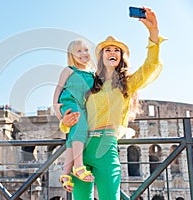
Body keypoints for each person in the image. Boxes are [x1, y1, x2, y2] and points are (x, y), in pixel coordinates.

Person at [60, 7, 166, 200]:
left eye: (116, 50)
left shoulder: (128, 83)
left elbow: (150, 67)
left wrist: (153, 32)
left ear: (120, 56)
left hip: (107, 146)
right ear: (100, 56)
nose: (112, 52)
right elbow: (73, 105)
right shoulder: (90, 82)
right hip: (81, 148)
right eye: (107, 50)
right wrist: (64, 122)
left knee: (110, 197)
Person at [53, 38, 95, 192]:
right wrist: (56, 108)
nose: (83, 53)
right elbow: (58, 89)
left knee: (73, 136)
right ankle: (78, 166)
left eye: (86, 50)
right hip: (69, 103)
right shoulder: (69, 70)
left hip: (82, 106)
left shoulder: (92, 73)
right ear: (71, 55)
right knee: (80, 125)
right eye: (79, 51)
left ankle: (65, 174)